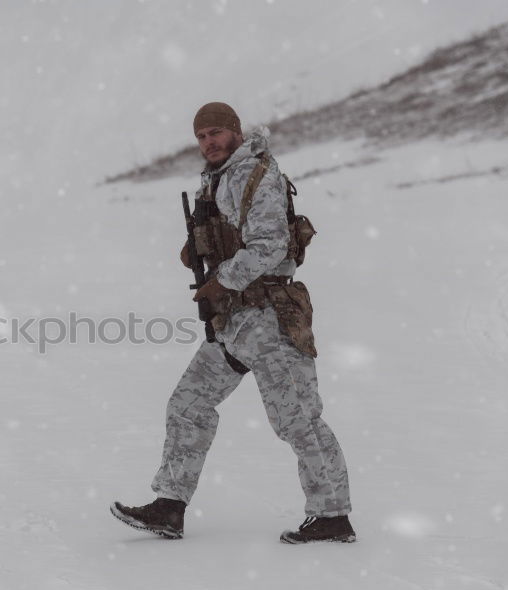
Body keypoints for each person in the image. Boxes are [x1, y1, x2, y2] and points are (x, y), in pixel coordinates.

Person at [111, 102, 355, 544]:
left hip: (271, 318)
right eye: (202, 136)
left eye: (217, 132)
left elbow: (269, 245)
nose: (209, 142)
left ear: (237, 133)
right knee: (188, 405)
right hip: (235, 324)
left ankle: (332, 515)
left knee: (298, 419)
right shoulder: (218, 179)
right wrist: (201, 250)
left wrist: (220, 280)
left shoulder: (257, 175)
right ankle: (170, 505)